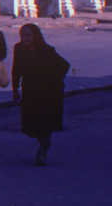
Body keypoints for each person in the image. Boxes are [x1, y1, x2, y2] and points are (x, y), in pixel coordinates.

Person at [11, 23, 69, 165]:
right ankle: (44, 143)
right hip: (30, 89)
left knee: (44, 122)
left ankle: (42, 150)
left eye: (28, 36)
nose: (25, 39)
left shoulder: (46, 50)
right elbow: (16, 69)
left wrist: (53, 80)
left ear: (35, 36)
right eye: (22, 36)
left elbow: (64, 66)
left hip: (47, 91)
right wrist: (15, 89)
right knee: (31, 123)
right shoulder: (18, 49)